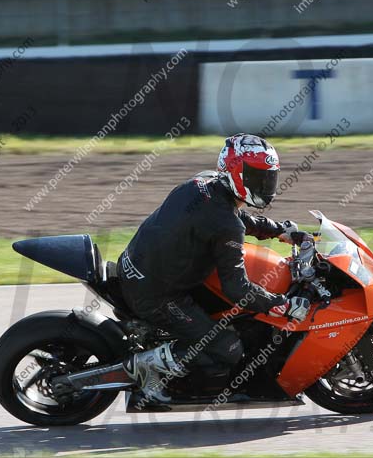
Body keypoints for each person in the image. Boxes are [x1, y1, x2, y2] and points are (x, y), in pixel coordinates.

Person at [118, 133, 310, 404]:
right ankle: (144, 366)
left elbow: (235, 216)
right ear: (235, 172)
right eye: (257, 176)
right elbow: (237, 289)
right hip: (156, 295)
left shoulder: (204, 182)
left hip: (139, 268)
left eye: (269, 176)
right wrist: (282, 304)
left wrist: (280, 231)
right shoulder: (225, 223)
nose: (265, 184)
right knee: (228, 348)